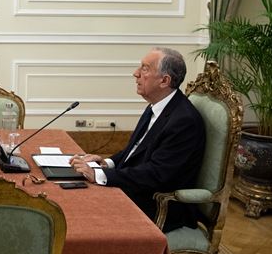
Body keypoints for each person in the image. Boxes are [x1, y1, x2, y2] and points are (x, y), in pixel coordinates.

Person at [70, 47, 205, 232]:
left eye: (145, 68)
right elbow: (134, 150)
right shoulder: (156, 106)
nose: (136, 73)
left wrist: (100, 175)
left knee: (80, 208)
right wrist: (107, 163)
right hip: (138, 189)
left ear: (164, 81)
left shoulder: (184, 121)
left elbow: (157, 174)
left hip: (157, 206)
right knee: (71, 191)